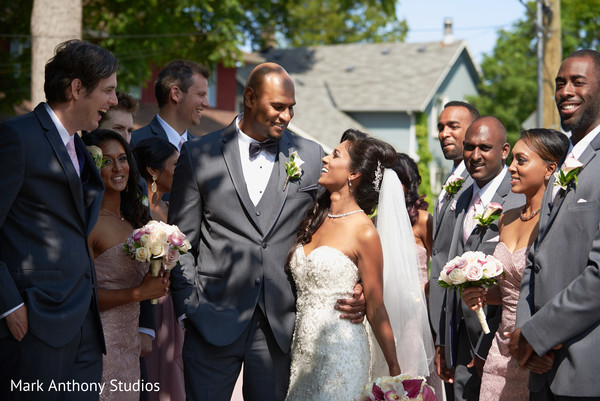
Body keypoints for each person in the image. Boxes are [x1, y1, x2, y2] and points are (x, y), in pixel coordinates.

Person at [168, 62, 365, 401]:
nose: (286, 115)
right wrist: (189, 306)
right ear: (249, 98)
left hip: (279, 325)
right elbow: (181, 241)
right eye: (278, 106)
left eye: (291, 108)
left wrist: (355, 281)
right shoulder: (198, 154)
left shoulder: (310, 154)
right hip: (212, 317)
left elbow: (338, 221)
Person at [0, 39, 117, 401]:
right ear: (76, 88)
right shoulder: (16, 138)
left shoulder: (81, 148)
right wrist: (9, 304)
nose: (113, 101)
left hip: (83, 324)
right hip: (34, 322)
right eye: (108, 91)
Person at [510, 49, 600, 400]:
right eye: (560, 83)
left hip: (585, 370)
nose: (565, 90)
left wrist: (539, 332)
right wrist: (523, 332)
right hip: (541, 370)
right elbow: (536, 259)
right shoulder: (564, 166)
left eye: (578, 81)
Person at [461, 129, 568, 400]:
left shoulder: (557, 220)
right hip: (500, 347)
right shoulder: (506, 219)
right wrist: (482, 294)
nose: (512, 167)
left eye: (521, 160)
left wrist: (544, 343)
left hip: (536, 349)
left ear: (550, 169)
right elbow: (508, 291)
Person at [441, 116, 524, 401]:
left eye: (484, 148)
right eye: (469, 147)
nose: (474, 156)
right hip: (459, 338)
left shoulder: (518, 199)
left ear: (504, 151)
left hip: (498, 343)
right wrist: (444, 340)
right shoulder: (461, 196)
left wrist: (486, 344)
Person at [83, 129, 170, 401]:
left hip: (130, 348)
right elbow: (83, 298)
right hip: (100, 346)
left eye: (122, 158)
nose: (118, 167)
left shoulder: (136, 220)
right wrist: (138, 293)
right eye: (107, 161)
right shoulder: (90, 223)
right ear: (92, 165)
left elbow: (144, 284)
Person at [430, 101, 479, 398]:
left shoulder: (475, 181)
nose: (444, 133)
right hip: (442, 318)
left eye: (453, 126)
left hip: (463, 322)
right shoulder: (451, 179)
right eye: (440, 127)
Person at [132, 137, 185, 401]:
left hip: (172, 305)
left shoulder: (171, 208)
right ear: (153, 171)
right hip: (145, 304)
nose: (181, 169)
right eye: (176, 164)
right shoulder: (134, 210)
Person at [130, 60, 210, 151]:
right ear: (176, 94)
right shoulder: (135, 143)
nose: (207, 103)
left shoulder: (201, 149)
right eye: (201, 95)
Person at [392, 153, 433, 293]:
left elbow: (443, 268)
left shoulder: (423, 220)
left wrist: (422, 294)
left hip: (417, 306)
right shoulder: (374, 223)